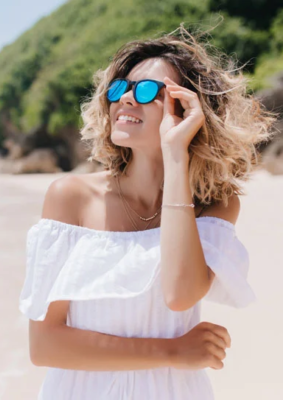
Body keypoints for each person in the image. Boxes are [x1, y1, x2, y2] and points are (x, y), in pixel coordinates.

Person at [18, 24, 278, 399]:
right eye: (119, 89)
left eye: (145, 91)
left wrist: (175, 157)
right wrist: (172, 351)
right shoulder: (71, 197)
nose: (125, 99)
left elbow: (180, 295)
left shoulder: (215, 205)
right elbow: (45, 346)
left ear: (189, 108)